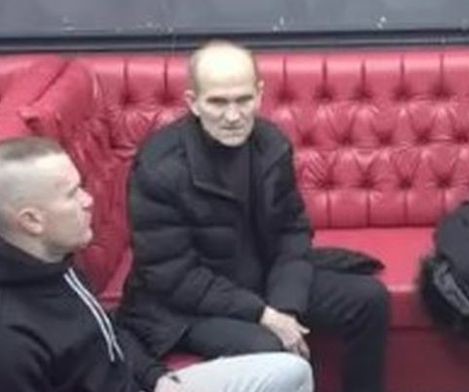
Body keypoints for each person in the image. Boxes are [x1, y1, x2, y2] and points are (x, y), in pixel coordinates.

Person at [120, 40, 389, 392]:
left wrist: (286, 305)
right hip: (182, 309)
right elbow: (174, 277)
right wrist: (264, 315)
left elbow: (292, 231)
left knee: (369, 300)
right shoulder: (160, 168)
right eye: (218, 102)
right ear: (193, 102)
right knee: (273, 348)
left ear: (260, 95)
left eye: (243, 100)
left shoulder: (271, 144)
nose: (233, 116)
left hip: (258, 281)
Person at [0, 136, 313, 392]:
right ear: (32, 221)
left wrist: (156, 377)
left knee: (292, 371)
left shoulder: (54, 263)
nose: (88, 200)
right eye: (71, 194)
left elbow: (107, 333)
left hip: (146, 385)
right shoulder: (13, 341)